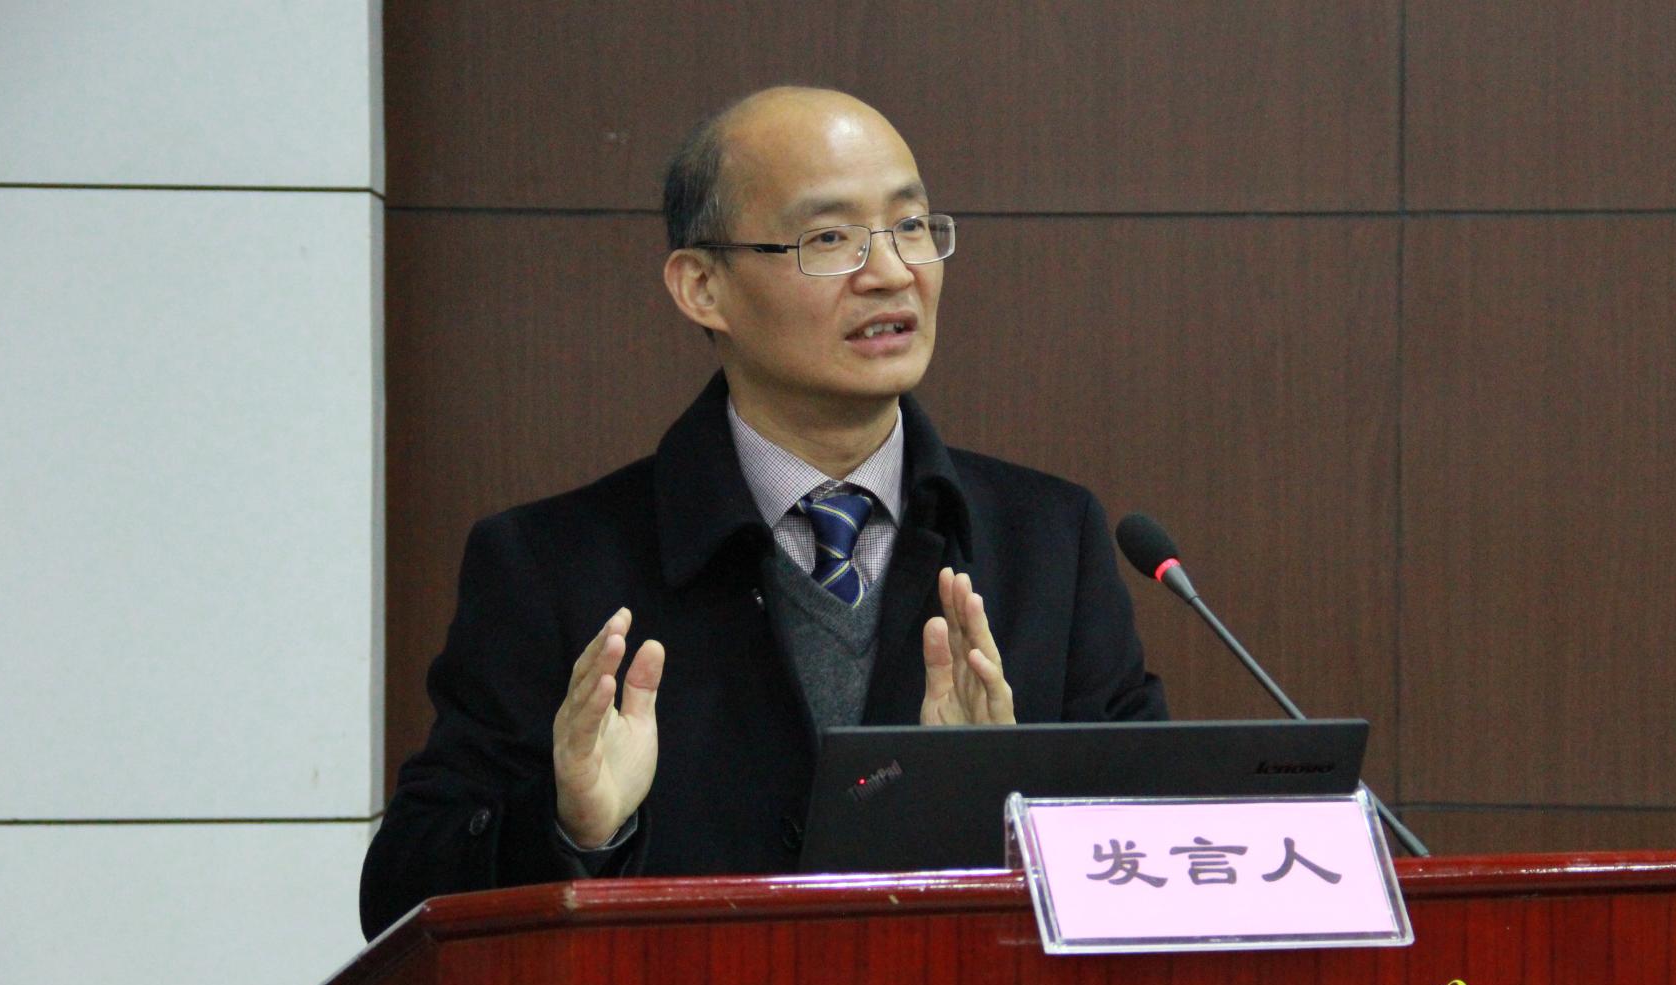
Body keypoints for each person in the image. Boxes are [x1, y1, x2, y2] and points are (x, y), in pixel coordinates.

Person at [360, 87, 1165, 939]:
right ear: (703, 287)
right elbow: (400, 899)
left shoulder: (1050, 544)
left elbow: (1161, 861)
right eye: (830, 239)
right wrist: (572, 827)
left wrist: (996, 806)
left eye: (911, 226)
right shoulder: (550, 565)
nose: (892, 272)